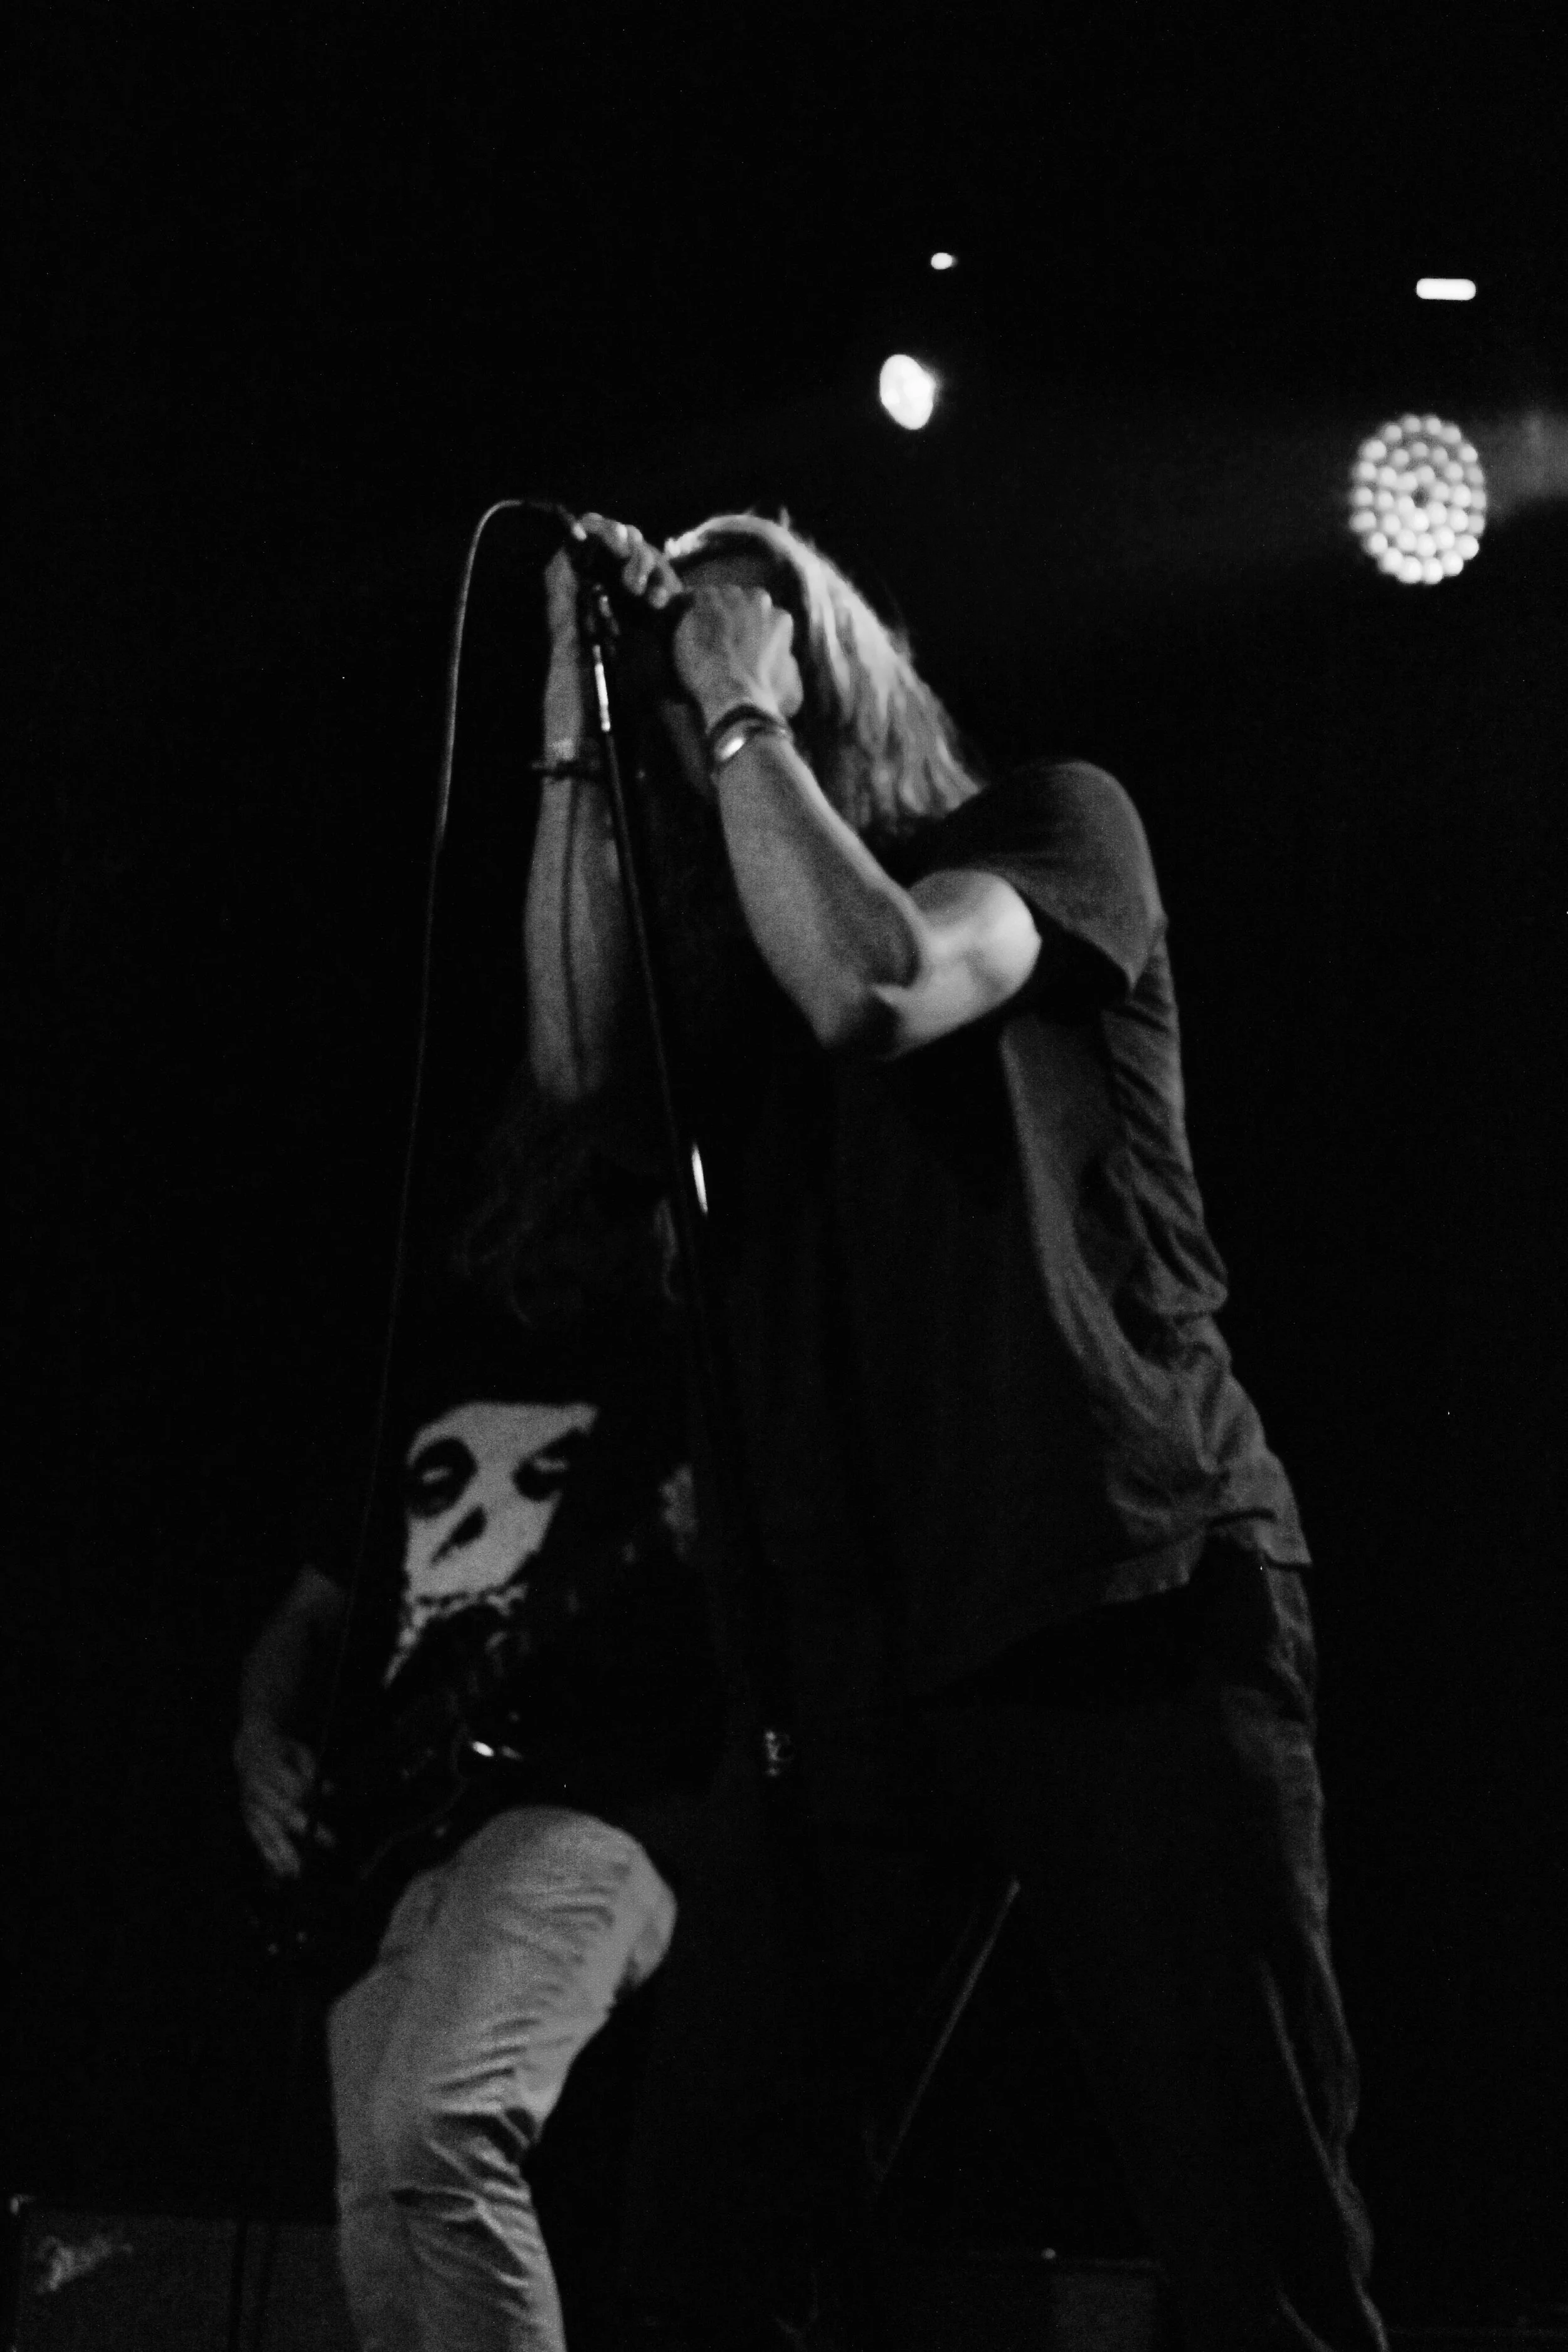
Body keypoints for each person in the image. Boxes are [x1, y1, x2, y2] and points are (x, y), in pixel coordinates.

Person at [523, 509, 1390, 2352]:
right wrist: (570, 728)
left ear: (821, 658)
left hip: (1122, 1591)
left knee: (1254, 2246)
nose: (698, 672)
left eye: (738, 629)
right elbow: (581, 1058)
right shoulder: (723, 992)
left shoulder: (1049, 830)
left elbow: (881, 984)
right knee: (697, 2265)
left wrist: (739, 714)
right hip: (851, 1666)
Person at [234, 1114, 724, 2352]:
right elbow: (310, 1610)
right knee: (378, 2205)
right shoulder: (433, 1369)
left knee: (442, 2123)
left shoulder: (695, 1362)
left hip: (600, 1801)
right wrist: (258, 1736)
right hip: (402, 1829)